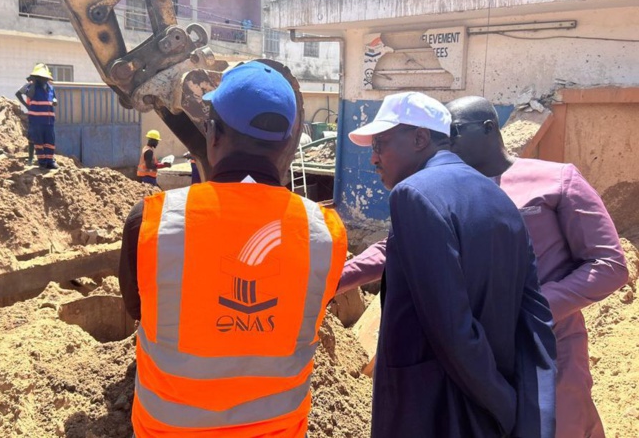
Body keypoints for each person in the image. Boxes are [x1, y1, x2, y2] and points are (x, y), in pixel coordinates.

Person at [119, 60, 347, 437]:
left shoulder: (151, 221)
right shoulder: (325, 233)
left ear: (211, 135)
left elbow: (137, 309)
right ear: (290, 144)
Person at [348, 91, 556, 438]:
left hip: (438, 411)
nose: (373, 158)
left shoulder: (414, 194)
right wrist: (526, 411)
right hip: (493, 406)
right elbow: (534, 316)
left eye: (381, 144)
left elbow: (452, 329)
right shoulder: (498, 198)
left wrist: (501, 403)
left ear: (419, 138)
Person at [446, 96, 628, 438]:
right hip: (484, 353)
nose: (445, 143)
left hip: (551, 343)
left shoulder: (557, 180)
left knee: (563, 427)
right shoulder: (455, 194)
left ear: (489, 129)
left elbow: (610, 264)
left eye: (453, 132)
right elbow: (395, 248)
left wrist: (533, 308)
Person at [19, 64, 58, 169]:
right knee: (38, 141)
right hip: (36, 120)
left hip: (49, 120)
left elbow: (54, 98)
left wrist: (54, 101)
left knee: (50, 141)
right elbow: (18, 93)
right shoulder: (32, 87)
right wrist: (27, 105)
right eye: (41, 78)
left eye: (45, 78)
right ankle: (42, 161)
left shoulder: (50, 88)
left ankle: (50, 161)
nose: (43, 80)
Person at [15, 75, 36, 166]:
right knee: (31, 136)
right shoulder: (28, 86)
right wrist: (26, 105)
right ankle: (31, 158)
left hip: (41, 113)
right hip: (32, 113)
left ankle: (36, 157)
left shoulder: (42, 86)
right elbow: (18, 93)